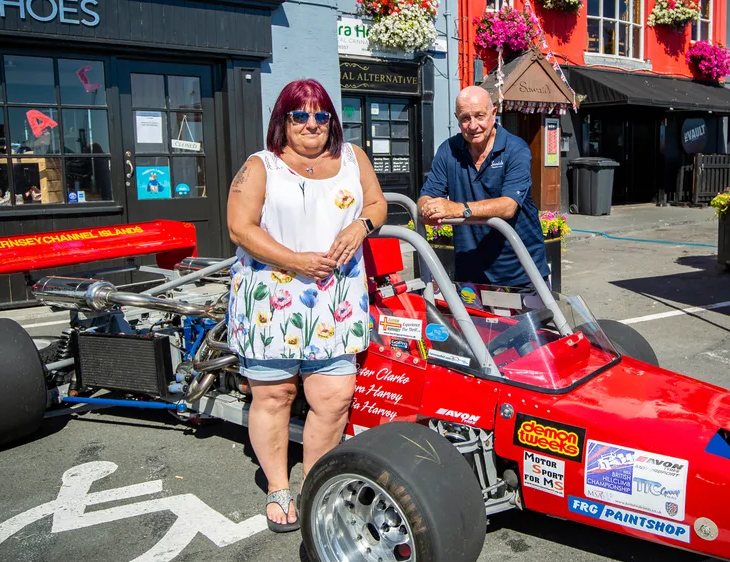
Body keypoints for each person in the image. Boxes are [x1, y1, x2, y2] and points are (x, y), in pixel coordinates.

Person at [226, 79, 387, 532]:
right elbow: (240, 227)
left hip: (336, 300)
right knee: (275, 395)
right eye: (300, 115)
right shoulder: (261, 166)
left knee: (333, 398)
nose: (312, 124)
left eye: (321, 115)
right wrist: (295, 260)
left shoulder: (353, 158)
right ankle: (279, 487)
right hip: (272, 302)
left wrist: (361, 226)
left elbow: (376, 203)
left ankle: (317, 484)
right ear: (283, 120)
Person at [418, 85, 549, 290]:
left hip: (520, 271)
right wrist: (427, 208)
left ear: (494, 113)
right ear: (457, 118)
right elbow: (428, 194)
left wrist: (457, 209)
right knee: (472, 323)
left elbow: (508, 206)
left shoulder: (515, 149)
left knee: (527, 323)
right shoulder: (448, 150)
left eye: (480, 116)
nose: (473, 125)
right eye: (465, 118)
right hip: (470, 271)